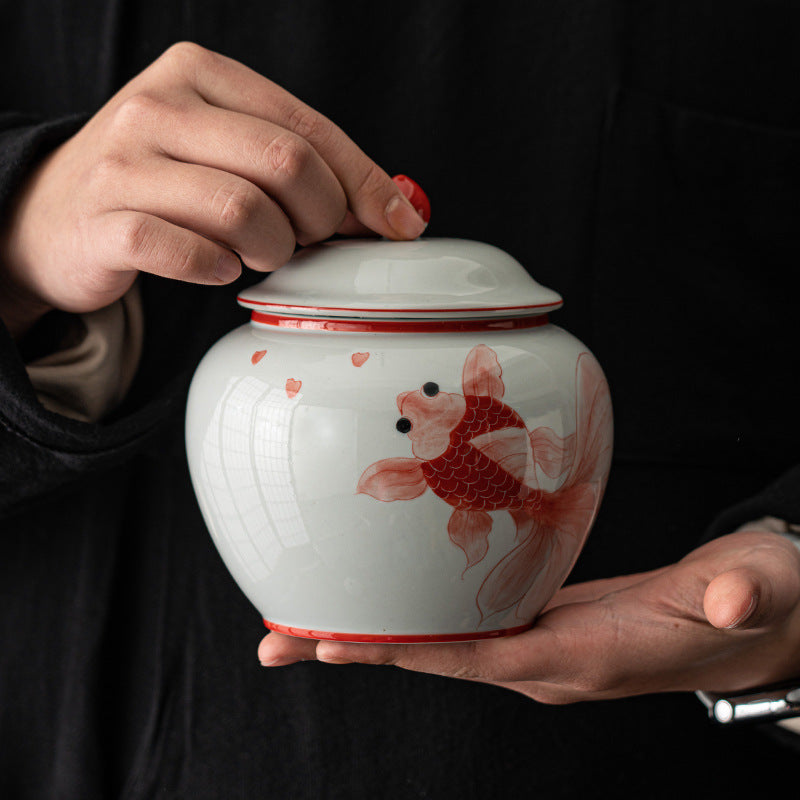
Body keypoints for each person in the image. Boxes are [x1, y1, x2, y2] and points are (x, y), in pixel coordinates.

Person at [2, 4, 799, 798]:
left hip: (623, 751)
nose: (416, 416)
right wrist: (19, 227)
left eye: (422, 404)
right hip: (59, 702)